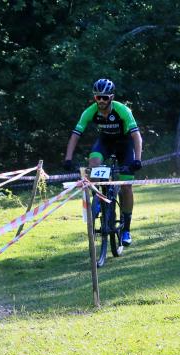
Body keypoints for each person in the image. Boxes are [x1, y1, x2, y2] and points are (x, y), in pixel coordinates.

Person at [64, 78, 143, 245]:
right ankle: (99, 199)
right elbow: (75, 135)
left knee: (126, 186)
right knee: (94, 164)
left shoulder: (123, 110)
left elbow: (136, 136)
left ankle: (126, 229)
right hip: (105, 143)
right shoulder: (90, 111)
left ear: (111, 97)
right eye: (97, 97)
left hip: (125, 145)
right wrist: (68, 158)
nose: (101, 101)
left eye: (105, 97)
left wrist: (137, 159)